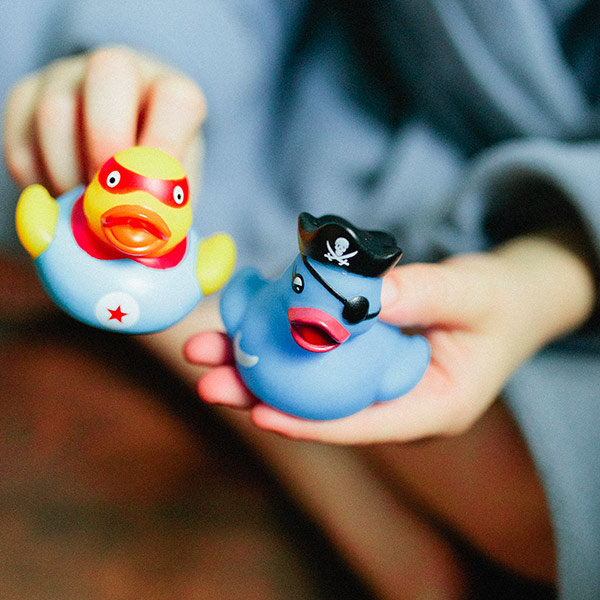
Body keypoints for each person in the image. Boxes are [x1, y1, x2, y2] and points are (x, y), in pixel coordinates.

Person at [2, 1, 600, 598]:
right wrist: (148, 77)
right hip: (286, 121)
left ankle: (179, 318)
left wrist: (549, 279)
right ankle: (182, 318)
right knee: (40, 114)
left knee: (554, 506)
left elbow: (412, 361)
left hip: (543, 233)